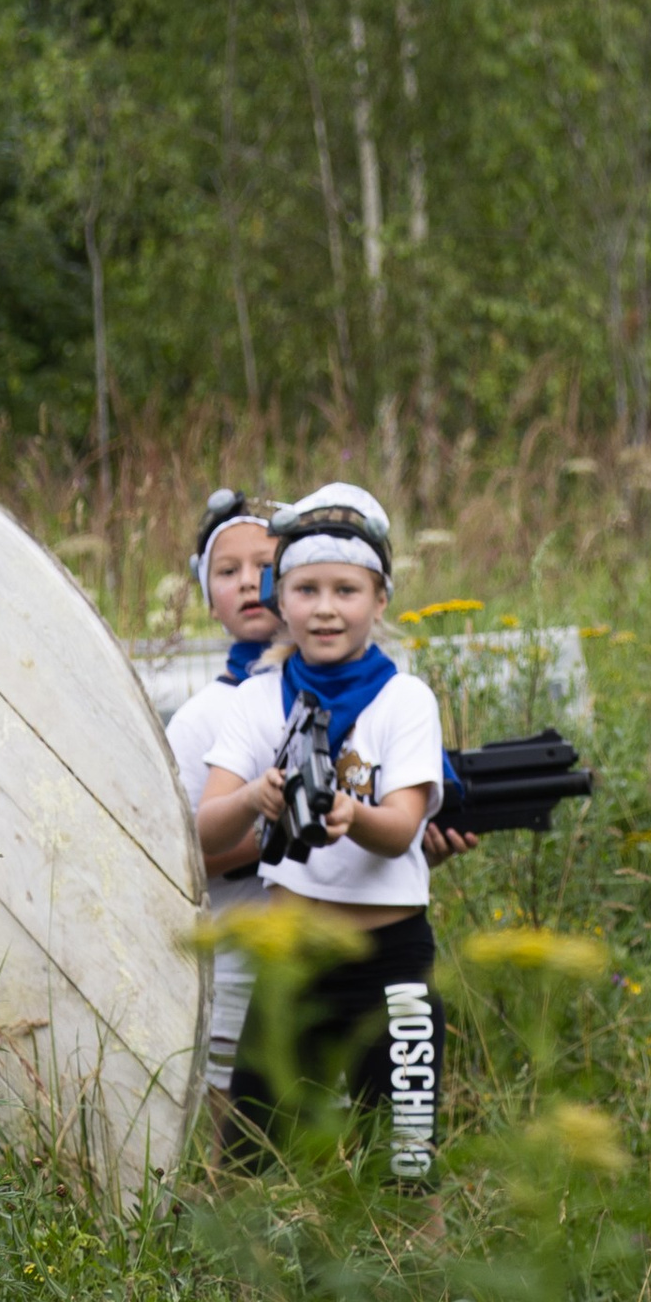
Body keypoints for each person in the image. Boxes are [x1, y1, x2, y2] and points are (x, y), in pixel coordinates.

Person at [197, 482, 450, 1181]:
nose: (327, 609)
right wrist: (257, 793)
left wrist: (351, 815)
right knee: (249, 1152)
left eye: (346, 590)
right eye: (307, 590)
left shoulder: (405, 700)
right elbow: (206, 830)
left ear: (379, 599)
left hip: (390, 963)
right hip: (294, 960)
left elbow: (401, 829)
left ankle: (417, 1288)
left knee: (406, 1161)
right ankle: (236, 1290)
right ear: (282, 601)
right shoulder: (257, 700)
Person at [165, 488, 286, 1104]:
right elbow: (174, 858)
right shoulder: (197, 721)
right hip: (234, 973)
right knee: (234, 1160)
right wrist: (281, 838)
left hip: (328, 970)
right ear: (207, 597)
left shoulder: (348, 696)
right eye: (228, 570)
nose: (249, 582)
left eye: (266, 567)